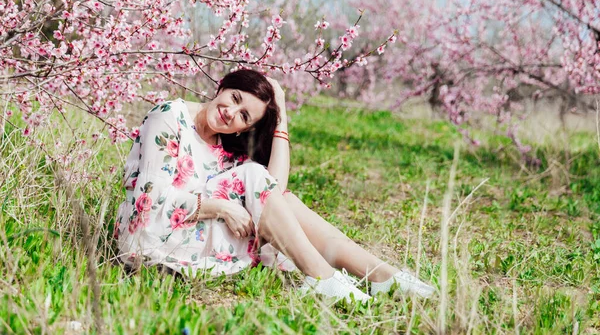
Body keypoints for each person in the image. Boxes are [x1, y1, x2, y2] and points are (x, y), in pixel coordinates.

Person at [114, 69, 435, 302]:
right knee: (254, 179)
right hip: (150, 237)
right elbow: (151, 200)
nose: (229, 114)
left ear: (245, 129)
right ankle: (323, 278)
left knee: (285, 200)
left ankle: (377, 274)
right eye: (234, 98)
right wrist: (222, 207)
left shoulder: (223, 146)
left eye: (243, 117)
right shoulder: (171, 115)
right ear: (222, 87)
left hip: (194, 231)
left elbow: (274, 191)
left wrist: (280, 117)